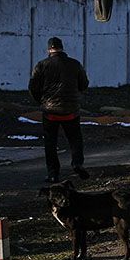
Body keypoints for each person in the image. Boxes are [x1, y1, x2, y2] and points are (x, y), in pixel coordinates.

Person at [29, 37, 90, 182]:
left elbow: (33, 87)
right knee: (75, 139)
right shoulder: (75, 64)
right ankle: (77, 163)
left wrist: (42, 102)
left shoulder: (41, 65)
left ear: (49, 49)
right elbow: (84, 84)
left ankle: (53, 173)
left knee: (50, 143)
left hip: (50, 113)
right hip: (71, 111)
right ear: (62, 48)